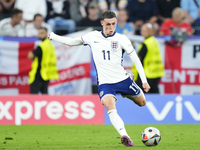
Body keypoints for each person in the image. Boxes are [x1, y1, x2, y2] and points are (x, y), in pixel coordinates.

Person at [48, 10, 150, 146]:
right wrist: (54, 36)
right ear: (102, 23)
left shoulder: (122, 39)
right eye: (108, 24)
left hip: (123, 79)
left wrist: (144, 81)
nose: (111, 27)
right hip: (105, 83)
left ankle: (126, 92)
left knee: (142, 102)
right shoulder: (92, 37)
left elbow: (136, 60)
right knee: (109, 105)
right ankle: (124, 135)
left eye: (113, 24)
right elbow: (72, 42)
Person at [134, 23, 164, 93]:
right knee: (154, 93)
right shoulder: (154, 41)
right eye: (141, 31)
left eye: (144, 31)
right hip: (156, 72)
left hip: (147, 73)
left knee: (141, 94)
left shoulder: (146, 43)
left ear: (150, 31)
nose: (142, 33)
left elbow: (139, 59)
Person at [27, 27, 59, 94]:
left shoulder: (42, 46)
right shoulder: (50, 45)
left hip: (38, 74)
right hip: (46, 74)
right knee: (45, 95)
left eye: (42, 33)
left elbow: (30, 56)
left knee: (34, 96)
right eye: (39, 33)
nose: (40, 35)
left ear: (47, 34)